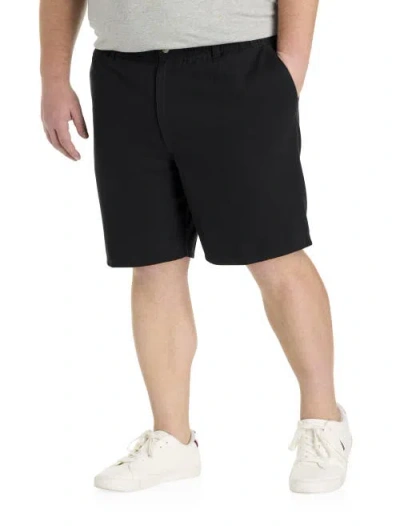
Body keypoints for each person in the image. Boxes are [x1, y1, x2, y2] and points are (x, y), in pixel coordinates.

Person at [40, 0, 352, 494]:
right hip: (123, 73)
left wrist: (288, 69)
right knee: (152, 260)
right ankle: (172, 439)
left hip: (237, 64)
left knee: (274, 252)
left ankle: (324, 423)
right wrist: (54, 77)